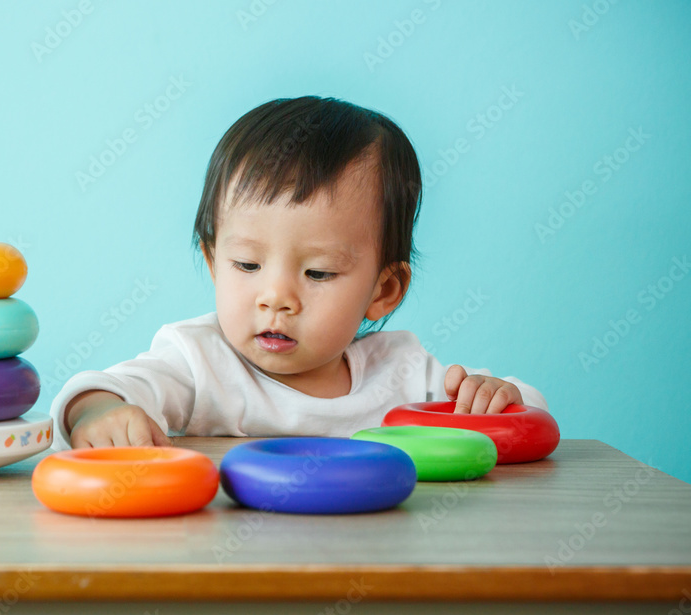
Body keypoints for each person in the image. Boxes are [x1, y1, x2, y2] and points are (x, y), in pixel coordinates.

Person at [50, 96, 548, 449]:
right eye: (247, 264)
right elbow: (107, 389)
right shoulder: (199, 363)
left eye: (319, 272)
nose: (276, 297)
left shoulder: (402, 374)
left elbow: (526, 413)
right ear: (212, 262)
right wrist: (99, 412)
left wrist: (497, 397)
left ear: (384, 290)